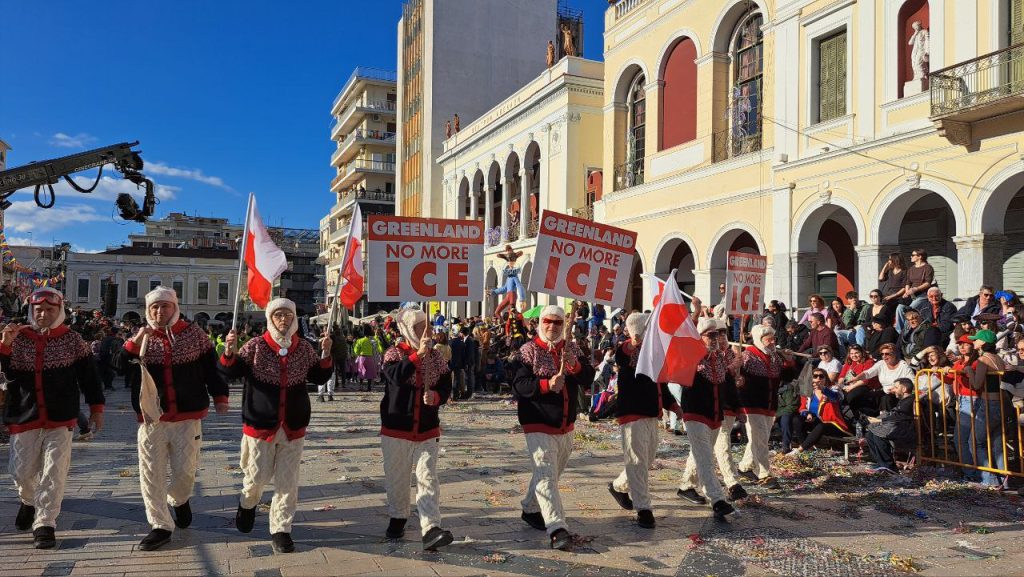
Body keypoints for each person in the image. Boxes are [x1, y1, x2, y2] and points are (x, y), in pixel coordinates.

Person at [220, 298, 333, 554]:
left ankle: (281, 529)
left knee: (287, 481)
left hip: (293, 426)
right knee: (256, 477)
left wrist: (326, 354)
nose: (283, 319)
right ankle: (247, 503)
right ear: (270, 319)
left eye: (288, 315)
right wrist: (229, 352)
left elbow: (318, 376)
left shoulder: (303, 348)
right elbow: (231, 372)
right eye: (278, 315)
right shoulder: (256, 346)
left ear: (294, 319)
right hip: (261, 424)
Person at [120, 286, 228, 551]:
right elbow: (118, 366)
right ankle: (159, 525)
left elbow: (211, 370)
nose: (159, 311)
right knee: (150, 473)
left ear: (175, 307)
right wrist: (134, 343)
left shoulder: (195, 335)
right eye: (154, 307)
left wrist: (220, 396)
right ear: (148, 311)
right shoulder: (141, 338)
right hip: (151, 419)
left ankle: (179, 499)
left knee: (185, 472)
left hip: (187, 416)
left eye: (165, 306)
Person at [1, 288, 105, 549]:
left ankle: (45, 522)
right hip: (24, 414)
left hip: (61, 417)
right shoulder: (17, 337)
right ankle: (27, 500)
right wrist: (5, 346)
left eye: (50, 310)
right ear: (31, 311)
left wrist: (96, 409)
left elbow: (90, 378)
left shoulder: (73, 340)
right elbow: (7, 373)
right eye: (39, 310)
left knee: (53, 471)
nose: (44, 314)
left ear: (60, 312)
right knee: (21, 472)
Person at [511, 305, 594, 551]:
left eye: (558, 323)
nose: (552, 326)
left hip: (565, 423)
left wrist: (575, 366)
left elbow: (588, 377)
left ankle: (530, 506)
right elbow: (519, 385)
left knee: (550, 472)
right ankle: (557, 528)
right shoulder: (528, 351)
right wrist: (546, 384)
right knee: (546, 474)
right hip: (538, 420)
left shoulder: (571, 348)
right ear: (540, 322)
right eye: (548, 321)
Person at [378, 307, 456, 551]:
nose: (425, 332)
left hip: (427, 428)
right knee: (397, 477)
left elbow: (445, 385)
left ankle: (431, 527)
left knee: (427, 477)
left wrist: (437, 396)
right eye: (418, 327)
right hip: (396, 427)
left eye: (426, 327)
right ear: (407, 330)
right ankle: (398, 515)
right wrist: (416, 356)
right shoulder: (394, 353)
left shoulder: (436, 357)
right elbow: (394, 378)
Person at [607, 312, 682, 528]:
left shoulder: (653, 354)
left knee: (646, 458)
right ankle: (644, 508)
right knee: (637, 460)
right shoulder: (628, 351)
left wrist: (673, 405)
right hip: (633, 412)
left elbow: (660, 384)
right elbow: (622, 355)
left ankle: (619, 485)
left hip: (651, 412)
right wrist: (634, 341)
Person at [675, 317, 739, 521]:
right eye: (710, 335)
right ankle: (717, 499)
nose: (716, 338)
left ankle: (686, 485)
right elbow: (680, 375)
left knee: (701, 454)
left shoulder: (720, 358)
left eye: (718, 334)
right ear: (700, 337)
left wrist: (737, 408)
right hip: (695, 412)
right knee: (705, 458)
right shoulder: (690, 355)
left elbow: (727, 385)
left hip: (714, 414)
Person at [736, 325, 796, 484]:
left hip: (769, 405)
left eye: (773, 339)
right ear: (759, 340)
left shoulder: (776, 357)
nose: (772, 343)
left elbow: (787, 378)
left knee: (759, 438)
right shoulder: (747, 356)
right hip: (751, 404)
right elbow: (737, 379)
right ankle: (764, 473)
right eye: (769, 340)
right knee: (760, 437)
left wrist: (789, 361)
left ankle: (744, 466)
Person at [952, 330, 1007, 487]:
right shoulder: (997, 358)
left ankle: (989, 481)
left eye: (976, 340)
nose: (973, 342)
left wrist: (969, 371)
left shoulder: (983, 359)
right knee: (997, 444)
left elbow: (976, 384)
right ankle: (1004, 481)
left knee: (975, 442)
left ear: (982, 343)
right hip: (1000, 404)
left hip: (988, 404)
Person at [785, 369, 850, 456]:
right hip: (815, 421)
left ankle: (800, 449)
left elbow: (835, 397)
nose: (818, 378)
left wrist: (823, 389)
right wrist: (807, 413)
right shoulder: (808, 392)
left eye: (821, 376)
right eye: (815, 376)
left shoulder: (833, 389)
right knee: (797, 419)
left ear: (825, 378)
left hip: (832, 423)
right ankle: (807, 447)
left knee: (822, 425)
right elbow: (802, 408)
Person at [864, 377, 916, 473]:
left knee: (879, 435)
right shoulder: (903, 400)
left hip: (905, 430)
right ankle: (881, 463)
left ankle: (889, 466)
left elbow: (900, 417)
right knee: (870, 434)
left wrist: (880, 421)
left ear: (904, 389)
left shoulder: (910, 400)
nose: (893, 390)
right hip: (898, 426)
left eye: (896, 387)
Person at [844, 343, 914, 413]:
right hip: (885, 391)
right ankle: (865, 419)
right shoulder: (881, 363)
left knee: (886, 399)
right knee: (861, 398)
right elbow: (868, 373)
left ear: (894, 354)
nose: (884, 356)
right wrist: (857, 378)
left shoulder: (903, 366)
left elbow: (911, 383)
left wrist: (897, 389)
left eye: (887, 354)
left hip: (898, 394)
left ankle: (886, 420)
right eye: (882, 354)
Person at [837, 345, 880, 420]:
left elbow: (866, 380)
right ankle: (839, 418)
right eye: (851, 353)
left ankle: (859, 418)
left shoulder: (869, 362)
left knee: (852, 396)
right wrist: (840, 385)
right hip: (849, 385)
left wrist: (851, 387)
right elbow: (842, 376)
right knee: (835, 395)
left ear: (862, 352)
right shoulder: (849, 362)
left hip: (866, 385)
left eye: (856, 353)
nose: (854, 355)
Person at [354, 327, 380, 392]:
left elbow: (356, 350)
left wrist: (358, 353)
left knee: (361, 371)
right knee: (369, 372)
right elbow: (375, 350)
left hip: (362, 358)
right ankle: (369, 387)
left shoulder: (360, 340)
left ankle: (361, 386)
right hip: (370, 358)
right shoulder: (373, 341)